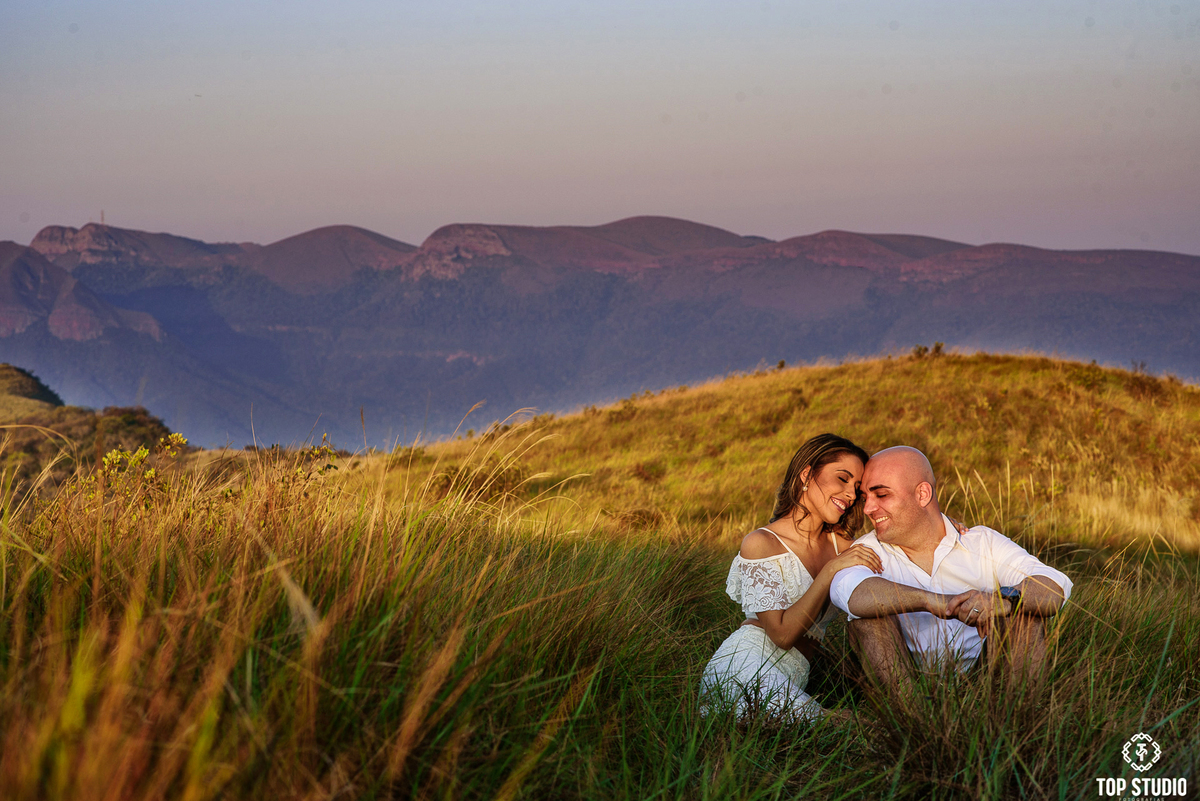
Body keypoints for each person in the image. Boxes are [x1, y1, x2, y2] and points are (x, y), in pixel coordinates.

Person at [827, 446, 1072, 700]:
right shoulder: (867, 549)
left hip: (987, 679)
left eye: (881, 495)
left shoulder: (980, 542)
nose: (868, 508)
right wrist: (931, 600)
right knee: (866, 617)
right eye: (865, 497)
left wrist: (1005, 600)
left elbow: (1055, 587)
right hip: (906, 685)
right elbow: (849, 592)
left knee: (1025, 615)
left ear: (922, 494)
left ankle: (1016, 724)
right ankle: (913, 725)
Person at [699, 433, 883, 721]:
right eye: (842, 479)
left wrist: (945, 527)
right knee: (836, 724)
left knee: (824, 727)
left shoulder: (843, 546)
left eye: (857, 488)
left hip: (795, 675)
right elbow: (782, 635)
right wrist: (830, 570)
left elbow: (899, 551)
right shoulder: (761, 543)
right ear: (807, 475)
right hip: (745, 662)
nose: (850, 494)